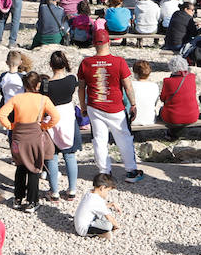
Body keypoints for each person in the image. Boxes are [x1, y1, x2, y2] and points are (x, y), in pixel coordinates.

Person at [77, 29, 143, 182]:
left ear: (94, 44)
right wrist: (133, 104)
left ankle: (104, 172)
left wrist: (83, 107)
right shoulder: (119, 61)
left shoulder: (86, 63)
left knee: (99, 139)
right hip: (115, 106)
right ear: (108, 42)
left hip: (95, 105)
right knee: (124, 137)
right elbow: (128, 87)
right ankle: (131, 171)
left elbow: (81, 87)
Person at [43, 50, 81, 200]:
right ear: (65, 63)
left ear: (50, 65)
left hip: (51, 118)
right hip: (68, 118)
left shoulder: (46, 85)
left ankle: (55, 192)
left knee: (52, 157)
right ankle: (72, 190)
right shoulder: (71, 80)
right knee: (70, 155)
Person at [158, 55, 200, 137]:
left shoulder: (168, 81)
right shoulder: (192, 77)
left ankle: (172, 133)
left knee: (162, 111)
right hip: (192, 116)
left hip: (173, 118)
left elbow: (162, 98)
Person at [74, 172, 121, 238]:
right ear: (102, 188)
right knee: (108, 225)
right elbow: (110, 218)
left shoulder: (90, 193)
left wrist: (111, 204)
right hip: (84, 229)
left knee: (105, 212)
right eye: (107, 191)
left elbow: (98, 208)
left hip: (82, 224)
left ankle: (99, 226)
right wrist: (117, 226)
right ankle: (101, 234)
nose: (107, 193)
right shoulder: (97, 200)